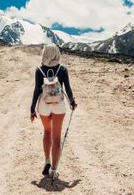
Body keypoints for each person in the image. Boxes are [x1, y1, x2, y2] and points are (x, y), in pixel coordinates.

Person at [30, 43, 77, 179]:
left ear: (44, 53)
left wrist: (32, 108)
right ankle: (53, 170)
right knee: (56, 138)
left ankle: (47, 161)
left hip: (44, 105)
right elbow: (67, 88)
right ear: (57, 53)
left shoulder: (39, 70)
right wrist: (72, 102)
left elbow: (36, 90)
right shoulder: (63, 69)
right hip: (59, 105)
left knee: (47, 132)